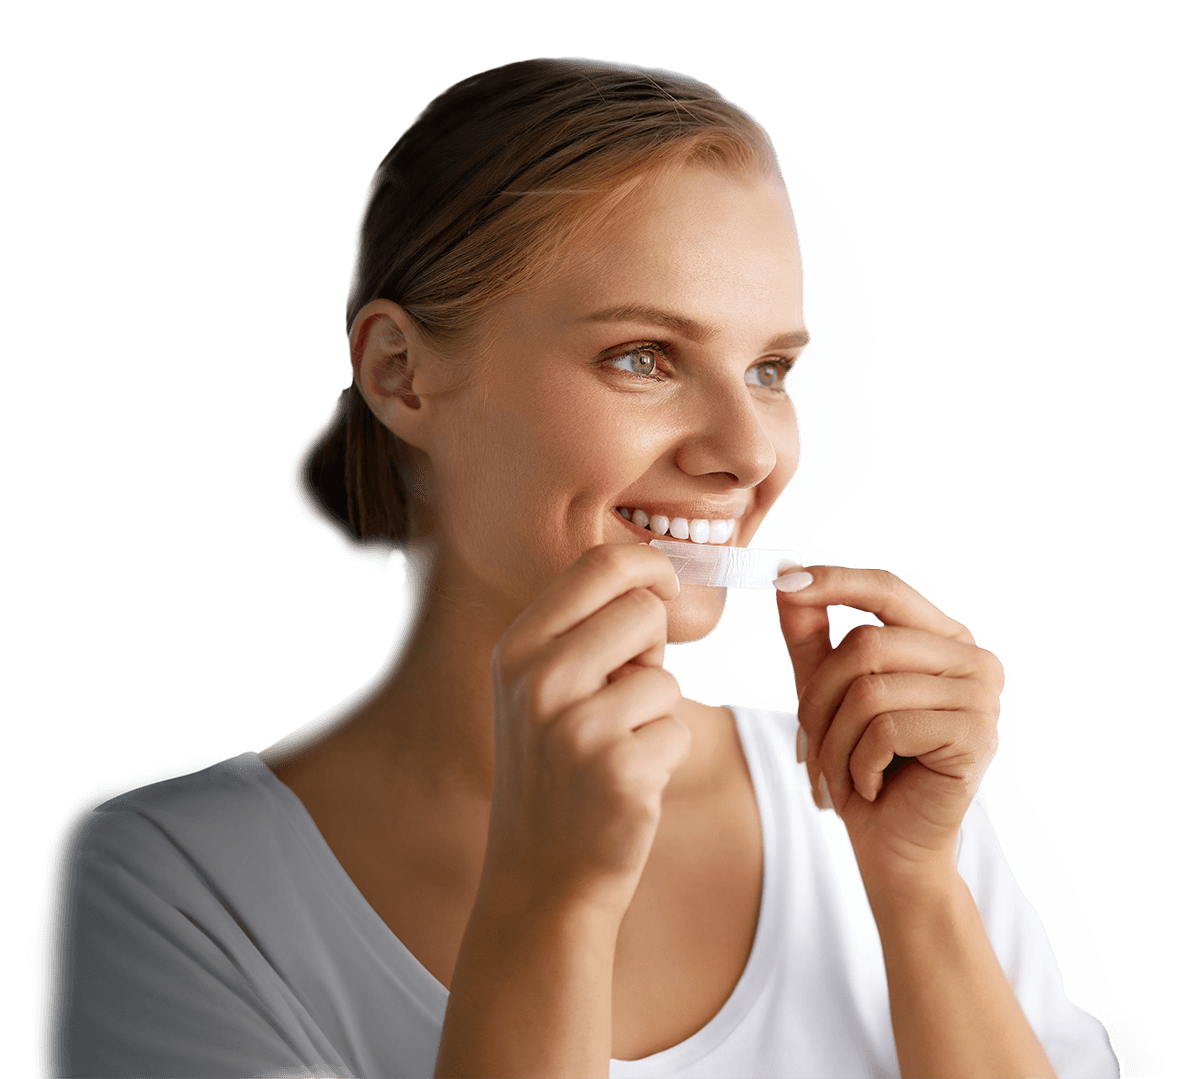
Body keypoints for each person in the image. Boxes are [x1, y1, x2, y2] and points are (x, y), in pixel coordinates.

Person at [38, 57, 1129, 1078]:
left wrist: (918, 890)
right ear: (401, 373)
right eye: (643, 356)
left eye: (768, 368)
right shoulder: (175, 884)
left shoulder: (885, 795)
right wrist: (545, 903)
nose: (749, 452)